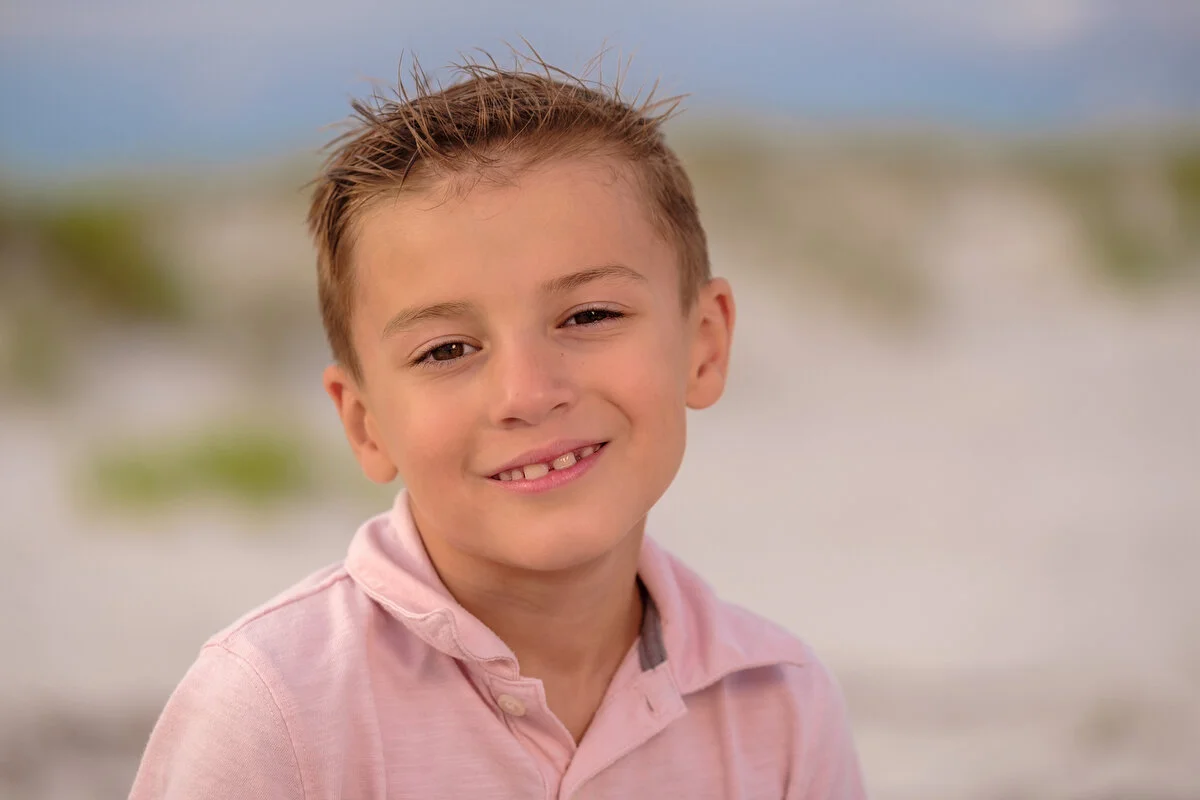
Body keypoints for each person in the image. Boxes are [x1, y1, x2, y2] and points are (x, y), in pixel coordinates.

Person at [129, 50, 866, 799]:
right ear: (365, 424)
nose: (526, 392)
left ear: (704, 344)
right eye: (447, 349)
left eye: (588, 315)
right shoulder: (273, 711)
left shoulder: (780, 707)